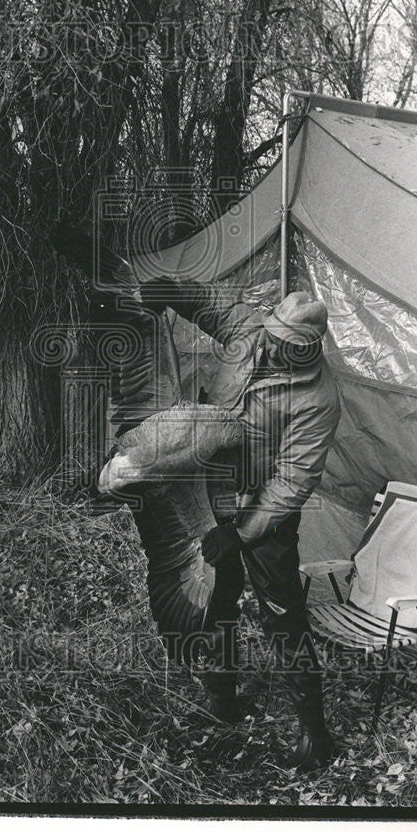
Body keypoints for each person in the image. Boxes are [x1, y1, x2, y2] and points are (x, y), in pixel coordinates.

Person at [139, 277, 341, 770]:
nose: (270, 350)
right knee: (219, 596)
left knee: (282, 616)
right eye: (270, 339)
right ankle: (222, 698)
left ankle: (315, 733)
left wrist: (241, 532)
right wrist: (171, 292)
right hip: (211, 495)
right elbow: (212, 304)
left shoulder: (319, 399)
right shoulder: (253, 329)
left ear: (309, 349)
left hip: (262, 512)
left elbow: (292, 483)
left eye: (284, 347)